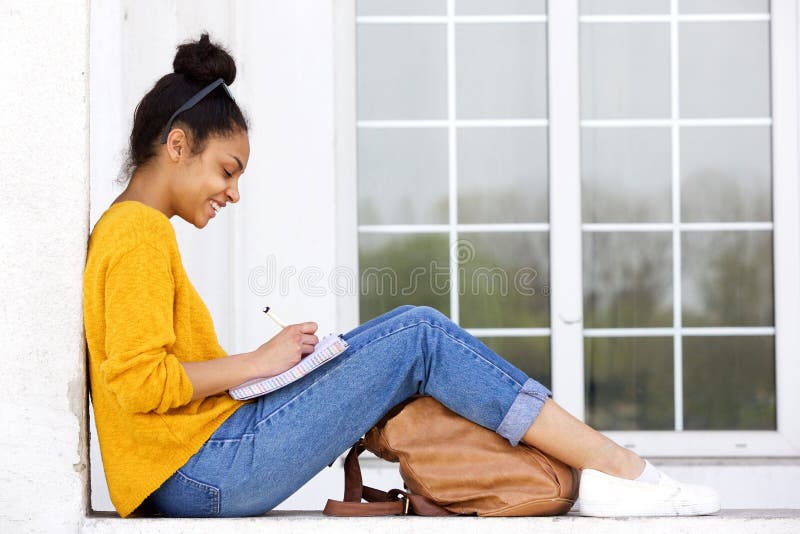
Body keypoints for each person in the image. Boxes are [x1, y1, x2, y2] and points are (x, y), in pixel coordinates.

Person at [83, 33, 721, 519]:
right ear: (176, 145)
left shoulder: (130, 229)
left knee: (409, 333)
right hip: (199, 471)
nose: (234, 192)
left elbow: (145, 380)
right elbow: (139, 384)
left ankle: (593, 472)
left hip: (198, 461)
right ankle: (620, 470)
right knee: (418, 335)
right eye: (228, 169)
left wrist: (277, 367)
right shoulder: (137, 232)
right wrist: (257, 362)